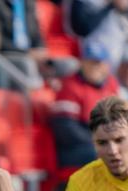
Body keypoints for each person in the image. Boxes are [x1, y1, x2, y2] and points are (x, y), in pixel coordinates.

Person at [50, 41, 119, 171]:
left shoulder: (111, 84)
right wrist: (99, 141)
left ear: (106, 65)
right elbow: (65, 129)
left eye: (98, 63)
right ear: (82, 63)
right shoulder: (70, 87)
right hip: (74, 148)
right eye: (90, 62)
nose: (94, 67)